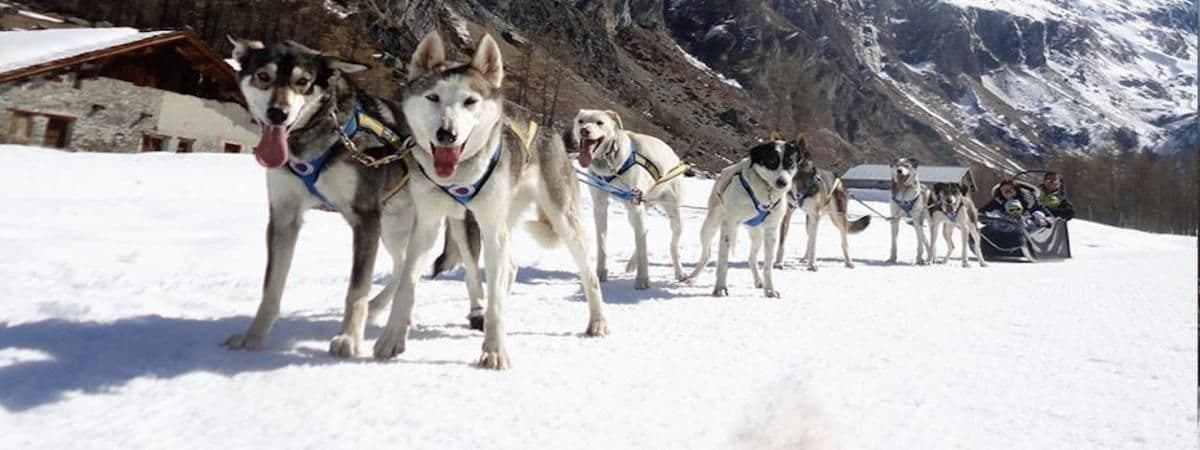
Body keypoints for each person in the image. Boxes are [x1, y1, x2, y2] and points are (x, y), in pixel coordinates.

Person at [979, 179, 1050, 228]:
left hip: (1028, 229)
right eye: (1004, 190)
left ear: (1016, 190)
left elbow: (1044, 212)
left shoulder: (1029, 200)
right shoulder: (998, 201)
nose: (1007, 192)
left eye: (1010, 189)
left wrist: (1045, 221)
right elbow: (983, 211)